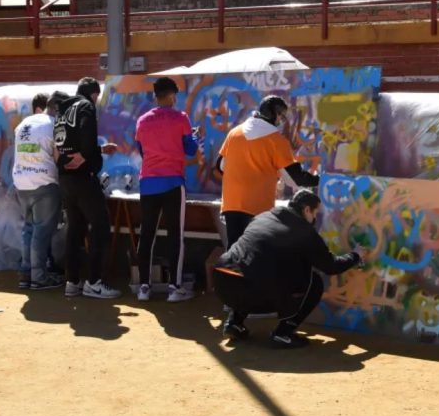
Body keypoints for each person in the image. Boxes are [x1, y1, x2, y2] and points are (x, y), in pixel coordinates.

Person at [212, 189, 365, 348]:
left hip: (223, 283)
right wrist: (355, 255)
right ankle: (284, 333)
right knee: (315, 282)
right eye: (315, 214)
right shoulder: (304, 232)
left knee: (251, 267)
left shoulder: (262, 217)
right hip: (254, 291)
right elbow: (331, 266)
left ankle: (234, 323)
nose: (315, 219)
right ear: (306, 209)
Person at [216, 95, 319, 249]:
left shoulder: (234, 133)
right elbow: (294, 179)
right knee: (255, 255)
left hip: (231, 204)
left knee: (234, 254)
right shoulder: (277, 141)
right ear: (276, 115)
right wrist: (318, 179)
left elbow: (221, 166)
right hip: (257, 207)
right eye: (282, 117)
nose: (281, 121)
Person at [134, 77, 201, 303]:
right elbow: (190, 150)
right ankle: (174, 287)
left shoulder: (142, 121)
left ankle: (144, 287)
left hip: (148, 183)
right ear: (172, 95)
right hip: (173, 182)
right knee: (175, 235)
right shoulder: (181, 118)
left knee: (147, 234)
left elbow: (142, 150)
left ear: (155, 96)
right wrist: (195, 137)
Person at [55, 77, 120, 300]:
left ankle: (72, 282)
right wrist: (85, 154)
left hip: (65, 177)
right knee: (101, 226)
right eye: (97, 96)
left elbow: (64, 142)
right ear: (93, 93)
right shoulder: (86, 106)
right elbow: (85, 131)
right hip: (83, 177)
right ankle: (94, 282)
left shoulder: (63, 110)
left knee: (75, 229)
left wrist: (96, 150)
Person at [12, 91, 68, 291]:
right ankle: (39, 277)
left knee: (28, 229)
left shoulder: (24, 124)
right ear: (59, 109)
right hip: (44, 182)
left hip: (21, 182)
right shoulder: (54, 125)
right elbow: (57, 157)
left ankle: (26, 273)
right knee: (42, 231)